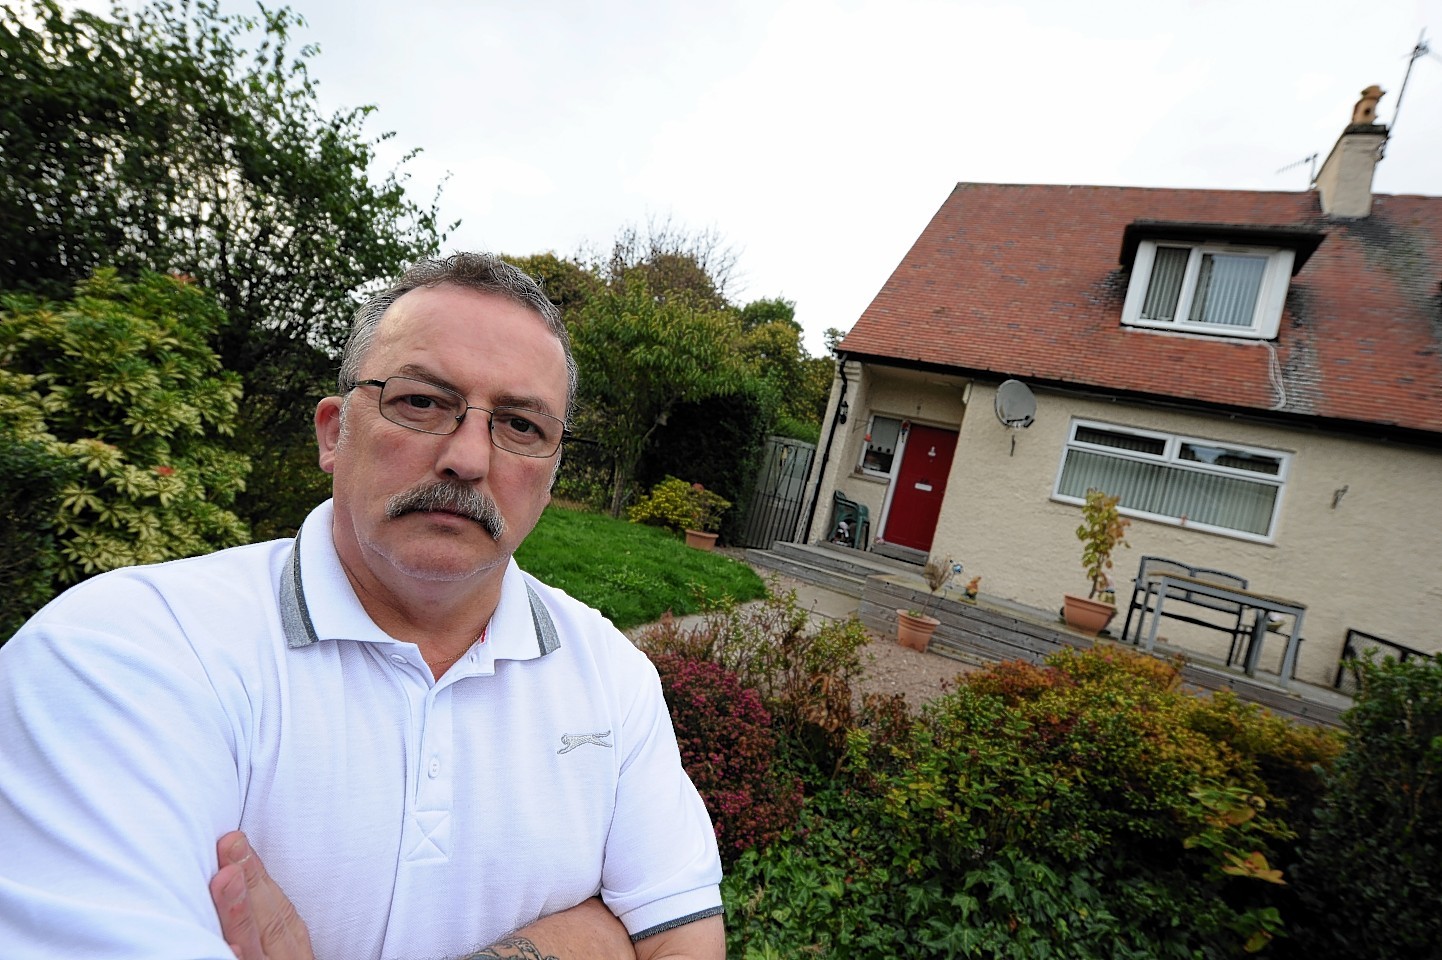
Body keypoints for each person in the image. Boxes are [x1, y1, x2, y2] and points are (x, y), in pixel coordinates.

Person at [0, 253, 725, 959]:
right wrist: (589, 939)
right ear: (332, 432)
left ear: (551, 473)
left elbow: (683, 941)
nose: (470, 459)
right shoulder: (125, 651)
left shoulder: (613, 680)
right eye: (421, 402)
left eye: (521, 426)